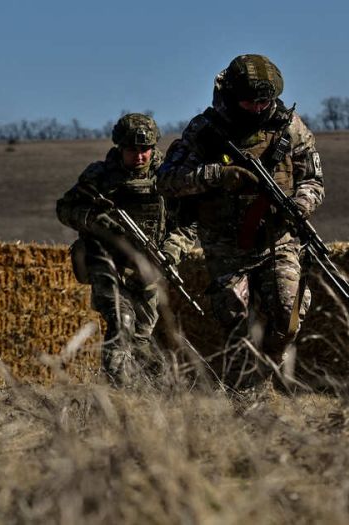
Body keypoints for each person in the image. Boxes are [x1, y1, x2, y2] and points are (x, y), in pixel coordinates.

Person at [156, 54, 324, 388]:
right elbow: (167, 180)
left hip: (278, 239)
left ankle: (264, 377)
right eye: (250, 101)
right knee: (237, 322)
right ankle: (244, 396)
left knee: (287, 317)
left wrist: (300, 204)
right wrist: (217, 175)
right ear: (233, 96)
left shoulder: (290, 127)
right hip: (226, 245)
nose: (258, 108)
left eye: (265, 101)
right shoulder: (204, 130)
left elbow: (313, 181)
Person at [56, 113, 194, 384]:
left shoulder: (167, 178)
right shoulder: (100, 176)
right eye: (132, 150)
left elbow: (188, 226)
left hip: (148, 269)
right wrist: (94, 220)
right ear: (120, 148)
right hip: (107, 265)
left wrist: (170, 252)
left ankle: (153, 390)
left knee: (141, 341)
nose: (139, 156)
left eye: (145, 149)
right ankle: (117, 394)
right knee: (122, 322)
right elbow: (65, 208)